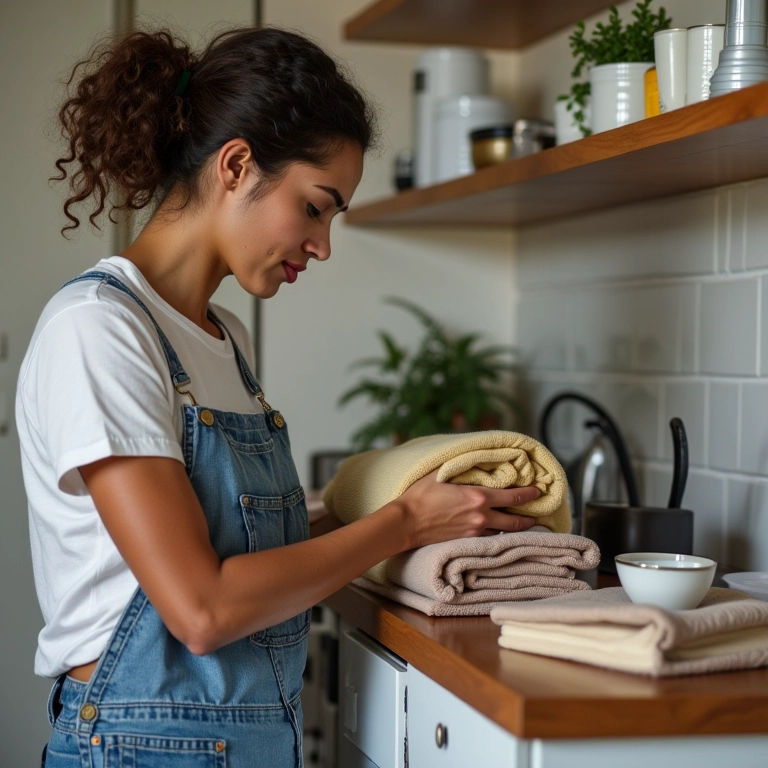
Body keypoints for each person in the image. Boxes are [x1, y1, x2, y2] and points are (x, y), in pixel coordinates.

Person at [16, 25, 539, 768]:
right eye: (317, 206)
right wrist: (402, 523)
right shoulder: (99, 331)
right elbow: (203, 610)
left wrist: (383, 504)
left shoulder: (224, 336)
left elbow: (235, 543)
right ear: (236, 166)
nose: (323, 245)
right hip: (141, 748)